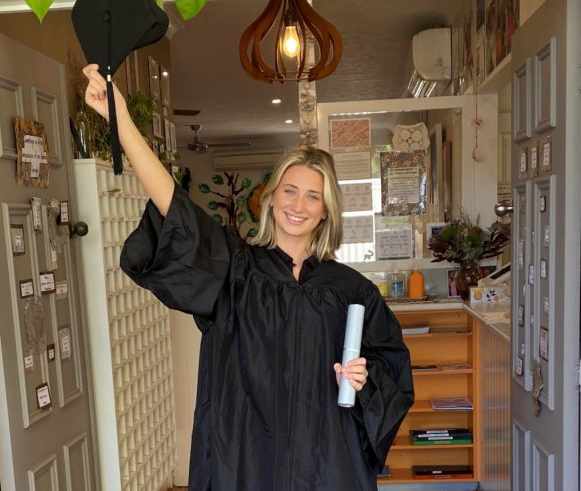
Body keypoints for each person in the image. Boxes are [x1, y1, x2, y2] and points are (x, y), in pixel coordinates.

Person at [83, 64, 414, 490]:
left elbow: (392, 373)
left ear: (326, 211)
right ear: (271, 198)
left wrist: (364, 380)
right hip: (247, 461)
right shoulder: (237, 272)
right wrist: (121, 121)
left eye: (313, 196)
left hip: (328, 463)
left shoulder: (353, 292)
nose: (298, 205)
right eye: (289, 190)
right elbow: (175, 208)